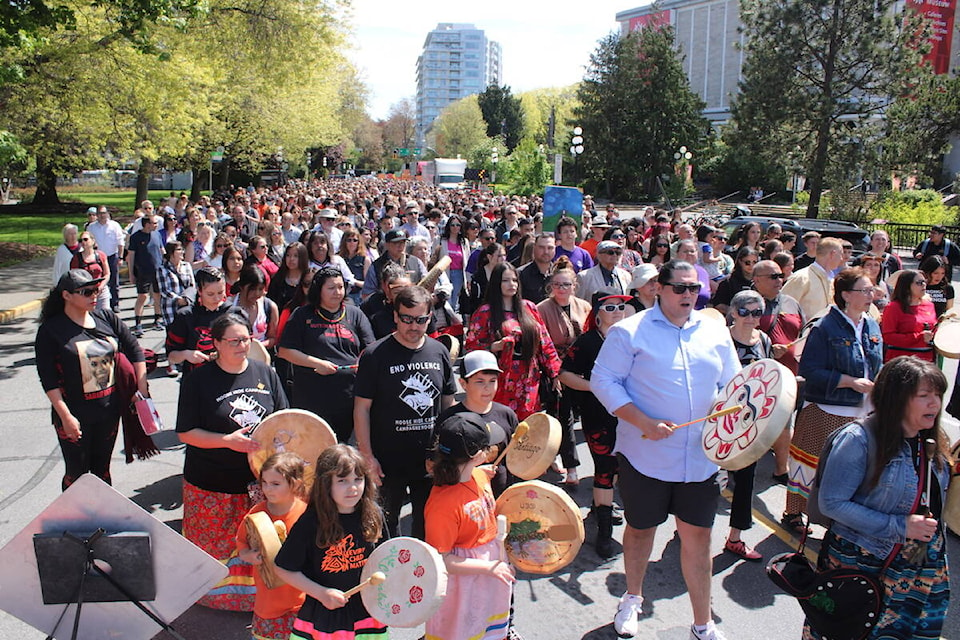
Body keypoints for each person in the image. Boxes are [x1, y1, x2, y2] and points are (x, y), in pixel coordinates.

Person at [592, 260, 740, 640]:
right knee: (641, 531)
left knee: (698, 541)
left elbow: (734, 385)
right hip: (646, 457)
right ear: (659, 287)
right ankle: (632, 597)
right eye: (680, 288)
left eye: (695, 290)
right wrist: (642, 422)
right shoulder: (629, 332)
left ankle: (702, 623)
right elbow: (603, 381)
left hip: (701, 461)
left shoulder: (714, 332)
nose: (688, 295)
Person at [813, 357, 949, 640]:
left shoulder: (931, 440)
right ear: (896, 399)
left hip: (919, 567)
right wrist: (900, 526)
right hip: (866, 563)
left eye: (937, 395)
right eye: (924, 396)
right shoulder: (857, 439)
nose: (934, 404)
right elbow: (832, 503)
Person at [176, 312, 288, 611]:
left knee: (257, 542)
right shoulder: (198, 380)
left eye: (246, 339)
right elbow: (186, 432)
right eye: (234, 341)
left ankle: (256, 599)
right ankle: (212, 598)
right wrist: (226, 441)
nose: (242, 345)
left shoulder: (265, 373)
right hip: (211, 483)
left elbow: (282, 419)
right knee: (217, 544)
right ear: (216, 344)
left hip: (258, 483)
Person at [783, 268, 883, 534]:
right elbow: (810, 371)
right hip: (827, 409)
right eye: (865, 290)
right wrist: (849, 381)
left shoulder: (871, 323)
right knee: (810, 464)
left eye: (871, 289)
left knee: (848, 469)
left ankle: (837, 517)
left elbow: (877, 363)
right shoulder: (825, 326)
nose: (871, 294)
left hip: (862, 410)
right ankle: (794, 513)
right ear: (847, 295)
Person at [353, 285, 457, 539]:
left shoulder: (439, 351)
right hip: (387, 461)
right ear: (396, 316)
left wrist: (447, 453)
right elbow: (361, 409)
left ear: (430, 317)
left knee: (428, 524)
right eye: (407, 319)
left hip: (429, 460)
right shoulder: (375, 354)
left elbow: (448, 406)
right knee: (386, 527)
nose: (414, 326)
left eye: (420, 320)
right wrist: (367, 456)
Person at [35, 269, 148, 490]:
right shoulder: (51, 330)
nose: (94, 296)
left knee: (102, 470)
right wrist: (65, 416)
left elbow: (135, 350)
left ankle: (101, 521)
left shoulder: (106, 318)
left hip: (109, 411)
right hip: (74, 415)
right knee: (77, 472)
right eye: (86, 292)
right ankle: (74, 520)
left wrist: (140, 390)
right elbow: (48, 379)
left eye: (96, 290)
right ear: (66, 296)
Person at [273, 445, 387, 640]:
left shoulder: (373, 514)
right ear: (326, 484)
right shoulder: (310, 522)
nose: (352, 488)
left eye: (358, 479)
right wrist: (321, 593)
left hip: (368, 612)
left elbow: (388, 556)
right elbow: (283, 568)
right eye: (342, 480)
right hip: (326, 615)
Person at [424, 413, 515, 640]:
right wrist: (489, 568)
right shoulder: (442, 506)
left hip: (487, 572)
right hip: (463, 585)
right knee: (461, 630)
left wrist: (480, 474)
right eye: (487, 447)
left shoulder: (476, 475)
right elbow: (442, 560)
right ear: (476, 455)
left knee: (486, 627)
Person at [560, 288, 631, 558]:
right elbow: (564, 373)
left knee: (616, 469)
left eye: (620, 307)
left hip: (628, 416)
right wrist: (595, 387)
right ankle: (604, 534)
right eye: (610, 307)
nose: (617, 312)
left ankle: (601, 506)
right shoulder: (587, 342)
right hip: (597, 417)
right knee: (604, 468)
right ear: (597, 313)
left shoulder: (631, 339)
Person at [278, 267, 374, 442]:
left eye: (340, 287)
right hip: (313, 397)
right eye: (331, 288)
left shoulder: (355, 314)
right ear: (318, 289)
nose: (337, 292)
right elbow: (285, 351)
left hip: (349, 397)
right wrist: (316, 363)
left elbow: (370, 350)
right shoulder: (302, 315)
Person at [466, 263, 562, 421]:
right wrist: (493, 347)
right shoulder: (485, 312)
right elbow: (471, 348)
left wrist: (555, 373)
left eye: (514, 280)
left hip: (529, 376)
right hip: (501, 378)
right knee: (502, 424)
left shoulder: (528, 308)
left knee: (528, 427)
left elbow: (545, 343)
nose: (511, 285)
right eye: (505, 280)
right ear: (497, 283)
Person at [235, 453, 308, 640]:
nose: (268, 489)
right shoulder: (258, 512)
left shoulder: (307, 514)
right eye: (264, 483)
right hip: (269, 599)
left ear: (295, 483)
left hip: (302, 598)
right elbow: (241, 542)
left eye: (275, 484)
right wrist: (248, 555)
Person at [722, 290, 771, 562]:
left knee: (745, 481)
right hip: (719, 420)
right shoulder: (721, 339)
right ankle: (689, 528)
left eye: (756, 312)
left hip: (749, 423)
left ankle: (736, 537)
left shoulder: (763, 339)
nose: (750, 318)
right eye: (744, 312)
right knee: (706, 479)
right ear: (733, 312)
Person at [436, 350, 519, 497]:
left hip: (501, 497)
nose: (487, 388)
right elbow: (434, 466)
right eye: (480, 382)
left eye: (492, 381)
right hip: (463, 500)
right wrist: (474, 472)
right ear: (463, 383)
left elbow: (514, 457)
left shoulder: (507, 414)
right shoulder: (450, 419)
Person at [538, 257, 590, 485]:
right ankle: (571, 468)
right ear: (551, 286)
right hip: (554, 369)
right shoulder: (542, 309)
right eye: (557, 285)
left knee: (587, 416)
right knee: (562, 417)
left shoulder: (583, 306)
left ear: (574, 286)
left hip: (581, 368)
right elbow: (541, 343)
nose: (562, 289)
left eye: (566, 285)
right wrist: (554, 373)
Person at [165, 266, 237, 376]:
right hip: (195, 378)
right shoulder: (186, 316)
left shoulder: (235, 313)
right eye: (210, 294)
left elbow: (250, 348)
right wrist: (186, 354)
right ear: (199, 291)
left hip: (230, 376)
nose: (217, 298)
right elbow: (171, 356)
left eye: (220, 292)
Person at [781, 237, 846, 321]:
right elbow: (783, 308)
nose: (841, 259)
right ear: (832, 254)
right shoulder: (801, 278)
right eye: (840, 254)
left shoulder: (832, 280)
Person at [881, 269, 936, 363]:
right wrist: (919, 337)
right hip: (901, 360)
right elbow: (888, 337)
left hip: (927, 359)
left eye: (924, 281)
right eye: (919, 283)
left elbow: (934, 328)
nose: (923, 285)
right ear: (907, 287)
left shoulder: (929, 305)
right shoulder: (893, 307)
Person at [126, 213, 165, 336]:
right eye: (154, 223)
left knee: (158, 295)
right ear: (147, 224)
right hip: (143, 271)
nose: (156, 225)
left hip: (157, 270)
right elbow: (131, 256)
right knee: (142, 296)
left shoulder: (157, 234)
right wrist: (131, 273)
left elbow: (161, 250)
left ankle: (157, 319)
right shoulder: (136, 237)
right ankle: (138, 322)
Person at [87, 207, 126, 312]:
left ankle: (115, 303)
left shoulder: (114, 225)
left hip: (112, 256)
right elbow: (88, 242)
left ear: (108, 214)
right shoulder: (91, 227)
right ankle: (95, 302)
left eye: (104, 213)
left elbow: (120, 242)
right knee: (96, 281)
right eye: (99, 213)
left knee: (113, 281)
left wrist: (121, 257)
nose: (102, 215)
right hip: (97, 257)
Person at [231, 266, 279, 350]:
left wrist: (258, 347)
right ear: (241, 287)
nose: (257, 293)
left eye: (260, 289)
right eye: (252, 289)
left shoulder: (269, 306)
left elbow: (272, 338)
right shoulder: (229, 306)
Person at [434, 214, 470, 311]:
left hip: (459, 274)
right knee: (445, 299)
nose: (455, 227)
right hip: (443, 273)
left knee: (454, 302)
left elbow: (467, 259)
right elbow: (434, 256)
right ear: (448, 226)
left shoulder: (464, 242)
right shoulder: (440, 240)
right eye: (452, 225)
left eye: (458, 225)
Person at [70, 230, 111, 311]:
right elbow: (74, 277)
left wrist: (101, 286)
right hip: (85, 293)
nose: (83, 242)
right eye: (80, 241)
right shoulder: (76, 258)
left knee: (104, 314)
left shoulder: (101, 255)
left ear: (93, 241)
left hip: (100, 290)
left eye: (85, 239)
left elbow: (107, 274)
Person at [710, 247, 758, 313]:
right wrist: (739, 312)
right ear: (740, 261)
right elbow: (718, 305)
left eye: (754, 262)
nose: (751, 265)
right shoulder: (728, 281)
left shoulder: (760, 281)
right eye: (747, 262)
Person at [267, 242, 309, 313]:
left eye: (296, 256)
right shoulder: (278, 278)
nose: (291, 259)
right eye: (288, 255)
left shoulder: (307, 278)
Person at [518, 233, 556, 304]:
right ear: (534, 247)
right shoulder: (521, 274)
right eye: (541, 247)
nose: (546, 252)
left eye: (550, 248)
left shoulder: (559, 274)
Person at [338, 229, 370, 307]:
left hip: (358, 296)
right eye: (349, 240)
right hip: (341, 296)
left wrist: (354, 281)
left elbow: (368, 284)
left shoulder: (365, 259)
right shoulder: (338, 258)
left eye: (355, 240)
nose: (352, 243)